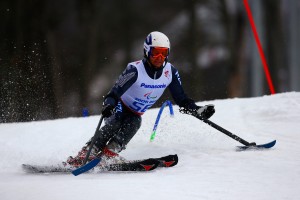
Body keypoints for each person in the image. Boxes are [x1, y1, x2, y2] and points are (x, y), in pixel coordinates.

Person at [66, 31, 215, 167]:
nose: (159, 58)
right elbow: (114, 93)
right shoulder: (135, 70)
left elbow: (182, 99)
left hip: (135, 113)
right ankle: (86, 153)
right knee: (116, 121)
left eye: (163, 53)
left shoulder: (170, 72)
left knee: (135, 122)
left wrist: (198, 110)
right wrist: (109, 105)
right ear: (146, 51)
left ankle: (108, 155)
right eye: (155, 53)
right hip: (119, 107)